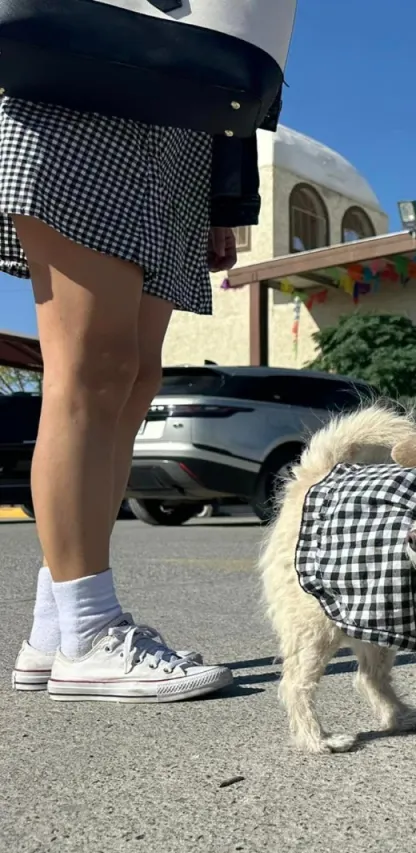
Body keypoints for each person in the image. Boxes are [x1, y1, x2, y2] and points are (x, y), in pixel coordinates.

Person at [4, 19, 291, 700]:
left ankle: (58, 620)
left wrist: (225, 199)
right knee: (89, 367)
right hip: (78, 83)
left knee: (134, 374)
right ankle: (88, 628)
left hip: (178, 119)